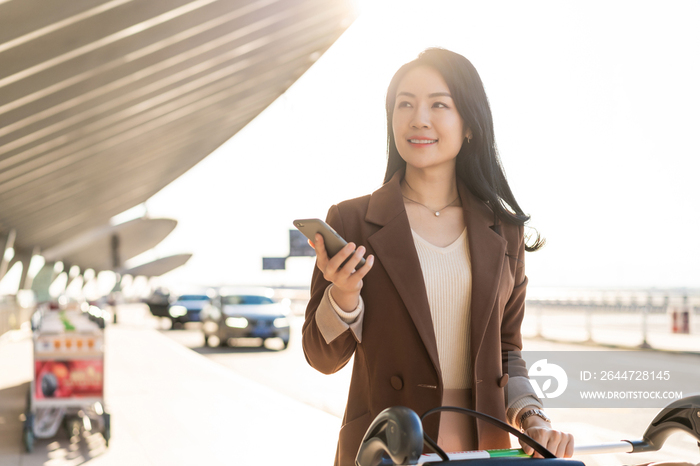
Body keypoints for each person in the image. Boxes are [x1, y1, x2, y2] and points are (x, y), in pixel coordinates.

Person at [302, 48, 574, 466]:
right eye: (404, 104)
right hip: (387, 446)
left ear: (469, 124)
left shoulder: (505, 230)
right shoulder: (352, 221)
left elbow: (506, 352)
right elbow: (321, 357)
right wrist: (343, 296)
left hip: (485, 447)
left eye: (439, 104)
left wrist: (533, 416)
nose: (418, 118)